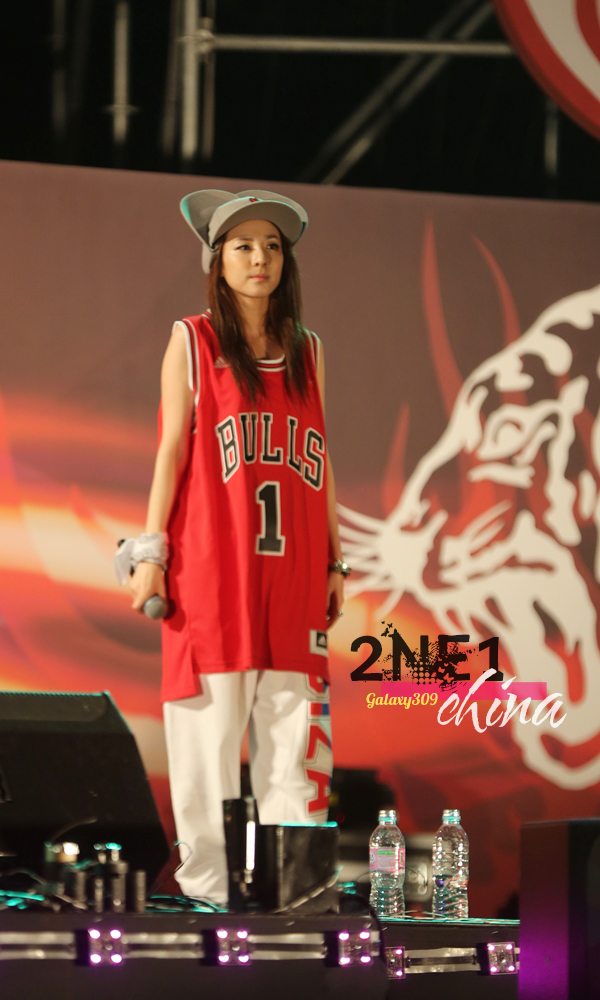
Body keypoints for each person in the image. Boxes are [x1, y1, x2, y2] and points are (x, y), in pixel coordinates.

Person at [125, 189, 348, 905]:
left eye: (272, 246)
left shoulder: (309, 351)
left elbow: (322, 459)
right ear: (216, 260)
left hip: (294, 577)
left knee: (296, 751)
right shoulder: (192, 341)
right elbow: (170, 451)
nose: (260, 258)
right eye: (244, 246)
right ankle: (206, 898)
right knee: (208, 751)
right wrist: (151, 551)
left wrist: (335, 560)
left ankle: (297, 902)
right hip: (213, 578)